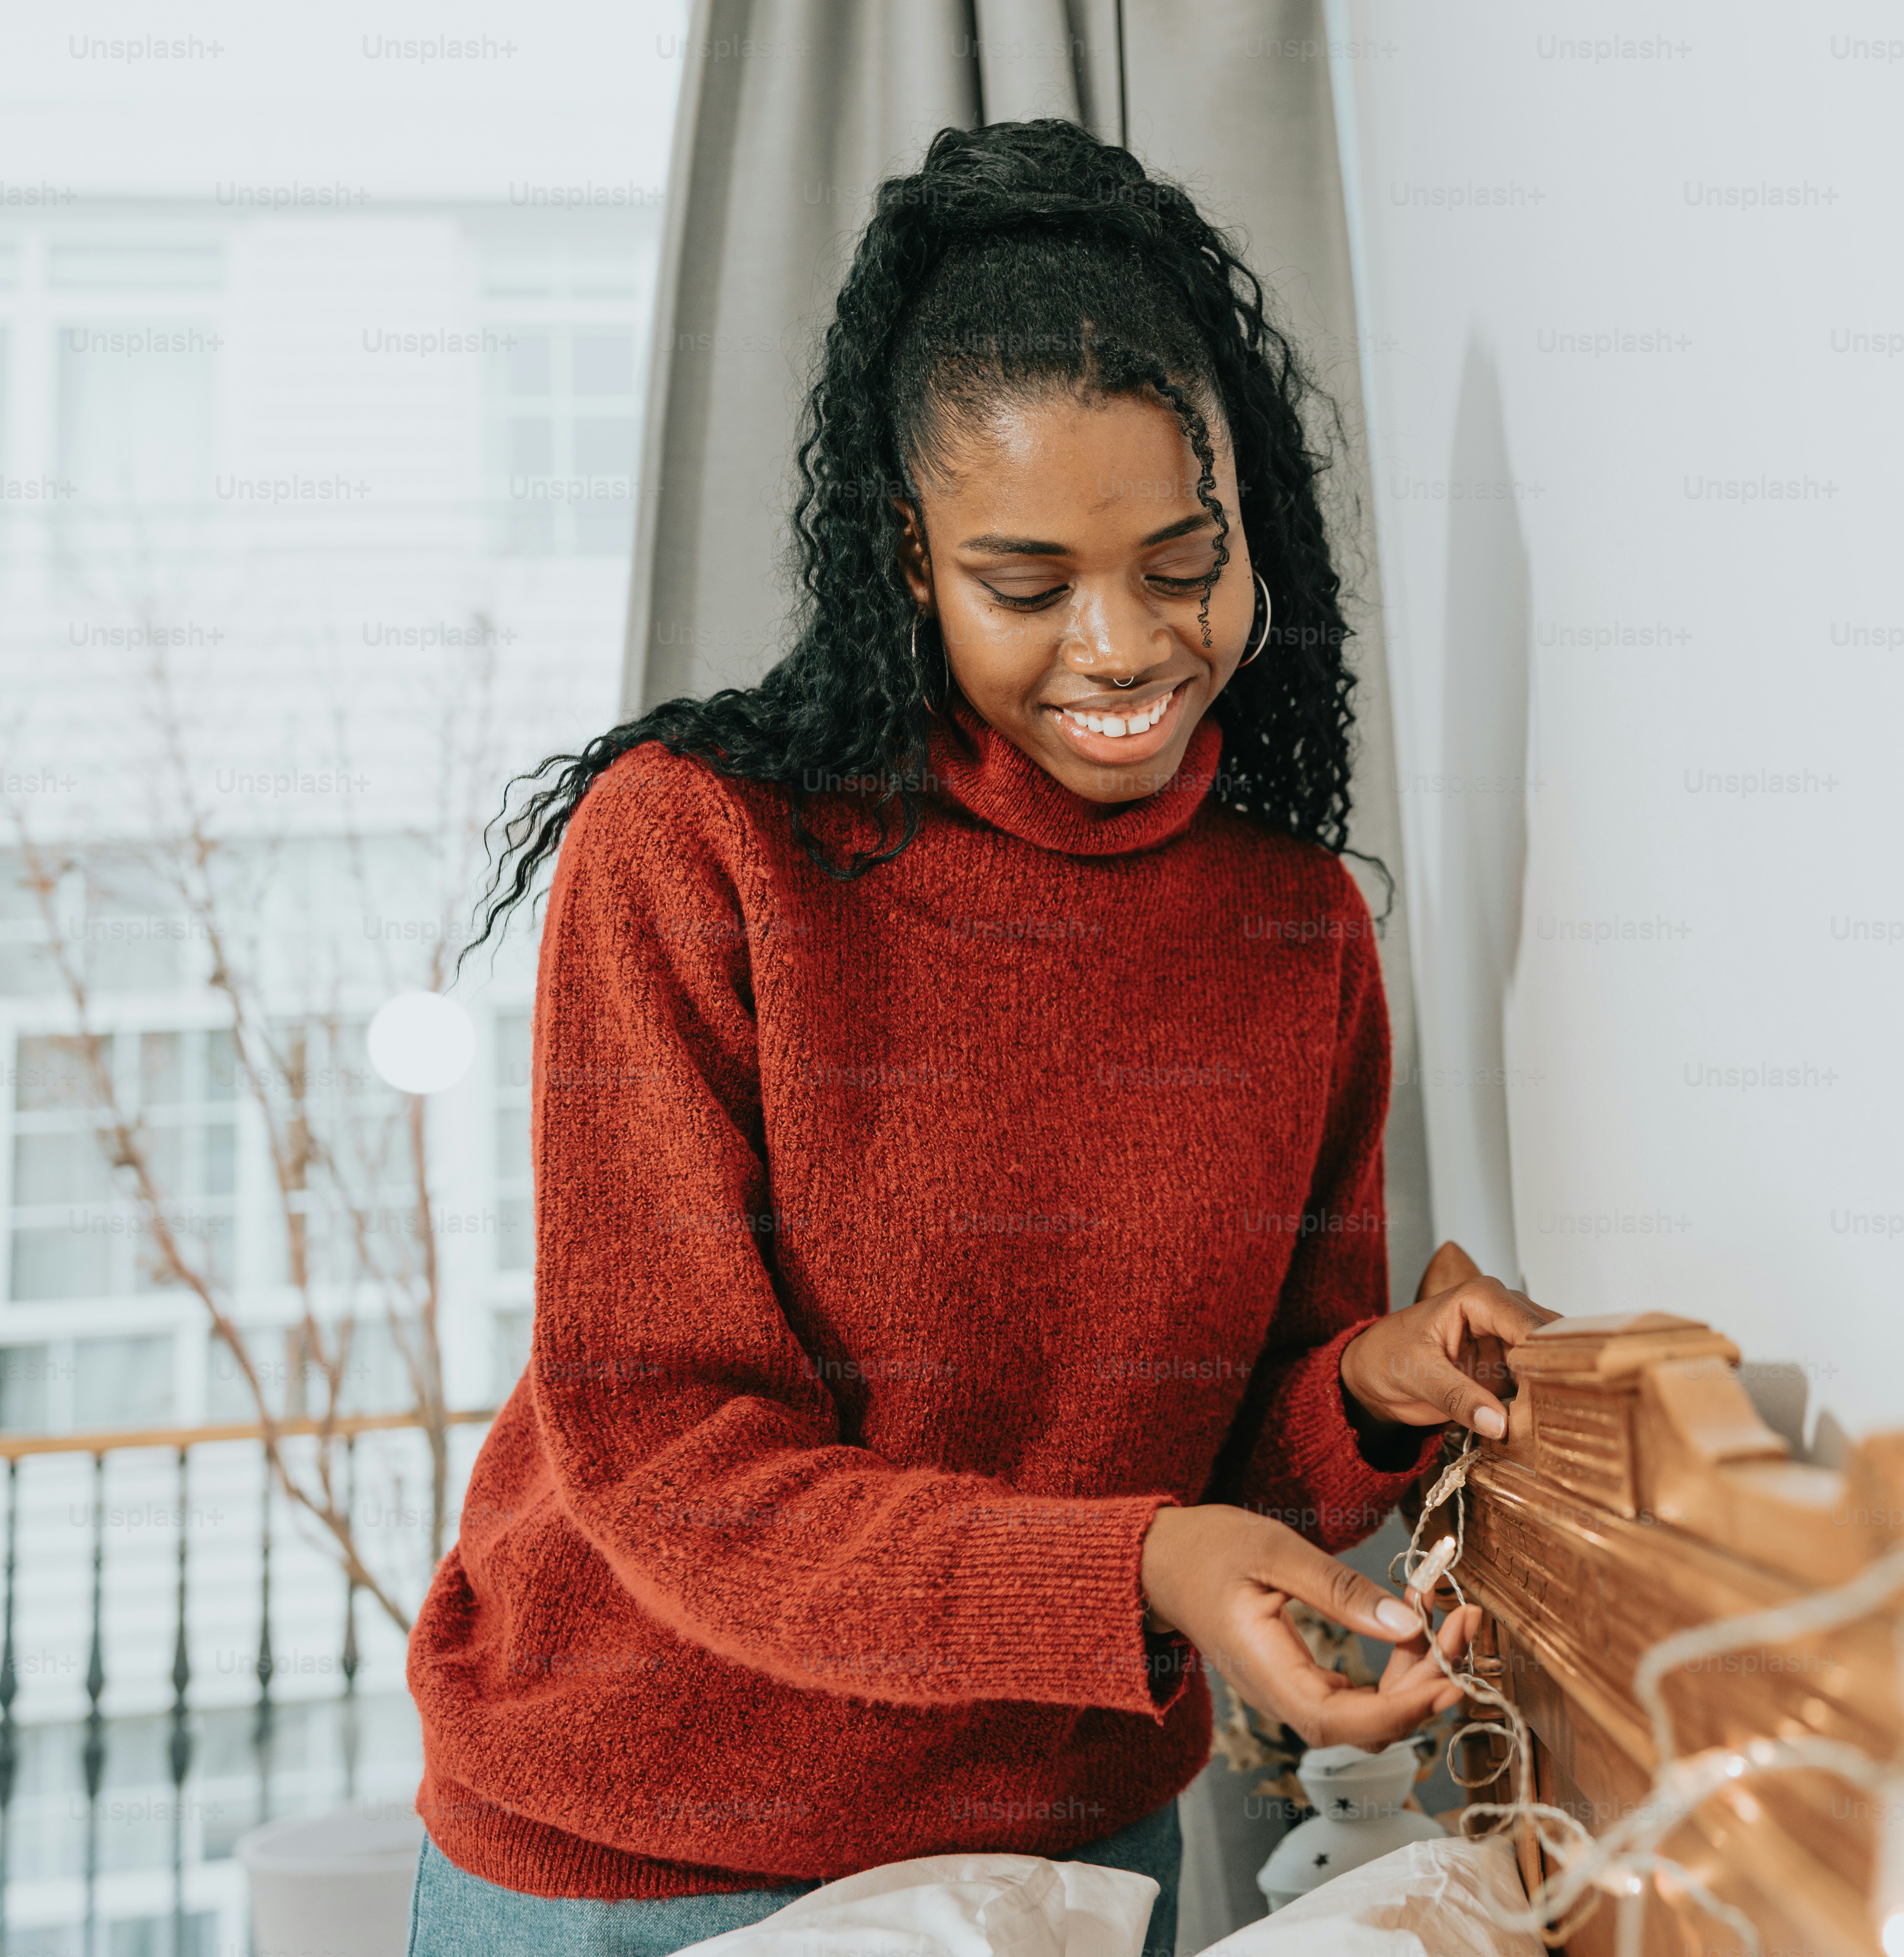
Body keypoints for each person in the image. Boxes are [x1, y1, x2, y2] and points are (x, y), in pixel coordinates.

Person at [405, 119, 1546, 1957]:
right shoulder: (703, 847)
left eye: (1185, 562)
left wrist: (1364, 1394)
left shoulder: (1293, 931)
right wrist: (1139, 1563)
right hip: (650, 1862)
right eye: (1028, 586)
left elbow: (1216, 1464)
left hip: (1068, 1854)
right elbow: (670, 1455)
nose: (1123, 647)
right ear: (906, 563)